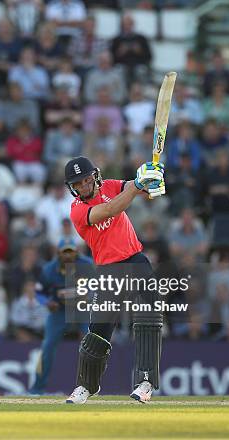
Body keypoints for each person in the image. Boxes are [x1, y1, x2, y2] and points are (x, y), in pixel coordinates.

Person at [63, 156, 165, 404]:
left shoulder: (110, 186)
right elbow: (111, 209)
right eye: (79, 183)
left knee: (148, 319)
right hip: (108, 271)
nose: (85, 186)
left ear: (95, 176)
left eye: (87, 179)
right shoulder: (77, 211)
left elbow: (142, 190)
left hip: (136, 261)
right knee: (98, 332)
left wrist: (153, 180)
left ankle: (146, 383)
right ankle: (86, 386)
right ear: (73, 187)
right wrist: (138, 185)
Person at [29, 238, 90, 394]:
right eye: (65, 253)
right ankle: (37, 388)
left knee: (92, 346)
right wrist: (48, 303)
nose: (68, 256)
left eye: (71, 252)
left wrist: (88, 297)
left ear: (77, 253)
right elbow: (39, 293)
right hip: (59, 311)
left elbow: (99, 287)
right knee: (47, 347)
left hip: (82, 309)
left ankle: (91, 386)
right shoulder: (48, 270)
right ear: (58, 253)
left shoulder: (87, 265)